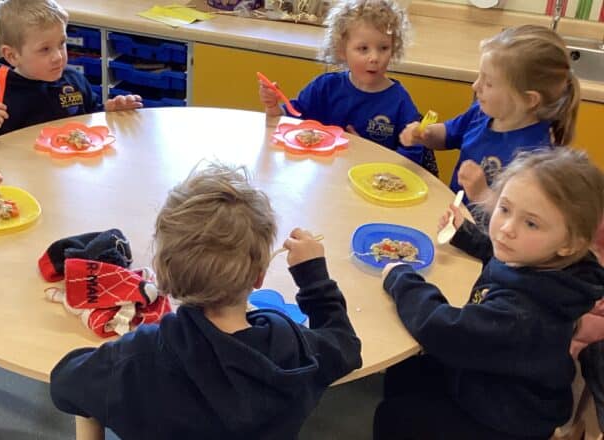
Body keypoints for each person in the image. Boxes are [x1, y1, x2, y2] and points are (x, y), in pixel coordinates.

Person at [50, 163, 362, 439]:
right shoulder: (292, 347)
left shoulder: (138, 357)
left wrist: (106, 356)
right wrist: (313, 277)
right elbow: (345, 345)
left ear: (162, 274)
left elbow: (64, 385)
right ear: (259, 276)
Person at [375, 148, 604, 439]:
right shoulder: (550, 261)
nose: (507, 229)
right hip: (499, 377)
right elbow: (506, 263)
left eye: (531, 223)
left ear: (569, 244)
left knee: (393, 418)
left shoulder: (522, 313)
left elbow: (442, 329)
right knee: (405, 372)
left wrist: (401, 279)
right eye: (505, 209)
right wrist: (465, 236)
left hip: (505, 418)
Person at [400, 25, 580, 204]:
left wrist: (483, 195)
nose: (475, 86)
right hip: (455, 221)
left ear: (528, 100)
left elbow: (525, 216)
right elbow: (447, 134)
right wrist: (425, 134)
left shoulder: (537, 157)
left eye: (488, 83)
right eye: (480, 77)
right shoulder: (481, 113)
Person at [259, 0, 438, 176]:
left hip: (373, 189)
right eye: (363, 48)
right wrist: (273, 107)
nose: (375, 57)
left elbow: (413, 159)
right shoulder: (325, 87)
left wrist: (366, 154)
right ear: (342, 50)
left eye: (384, 48)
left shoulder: (399, 100)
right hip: (326, 182)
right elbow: (290, 123)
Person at [0, 0, 142, 153]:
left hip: (72, 172)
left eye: (62, 44)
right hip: (27, 176)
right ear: (12, 56)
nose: (58, 56)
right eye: (45, 49)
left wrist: (109, 111)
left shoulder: (73, 79)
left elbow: (91, 117)